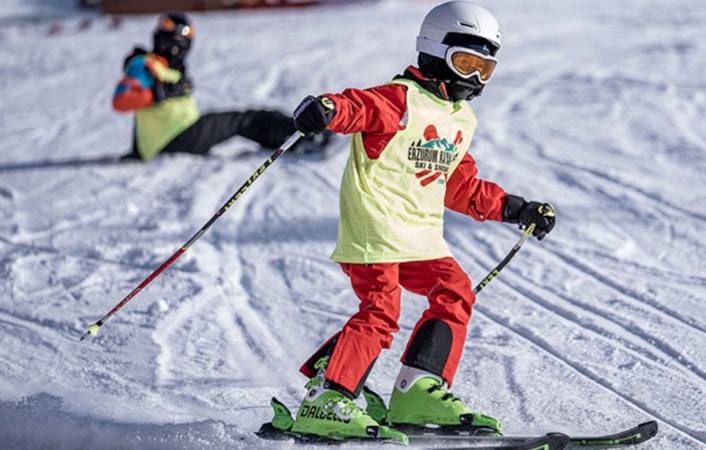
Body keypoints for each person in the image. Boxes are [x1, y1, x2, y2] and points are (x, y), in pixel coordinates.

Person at [282, 0, 557, 443]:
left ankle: (419, 389)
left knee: (455, 290)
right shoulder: (401, 99)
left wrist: (516, 208)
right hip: (374, 228)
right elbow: (358, 106)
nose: (473, 77)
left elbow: (460, 186)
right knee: (381, 310)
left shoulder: (460, 118)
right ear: (434, 49)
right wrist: (327, 108)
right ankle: (328, 400)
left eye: (484, 69)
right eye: (466, 62)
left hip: (420, 236)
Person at [112, 11, 327, 161]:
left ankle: (292, 137)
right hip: (179, 135)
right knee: (246, 119)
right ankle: (303, 138)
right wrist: (162, 93)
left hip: (176, 134)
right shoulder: (143, 64)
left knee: (244, 120)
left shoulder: (162, 66)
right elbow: (121, 100)